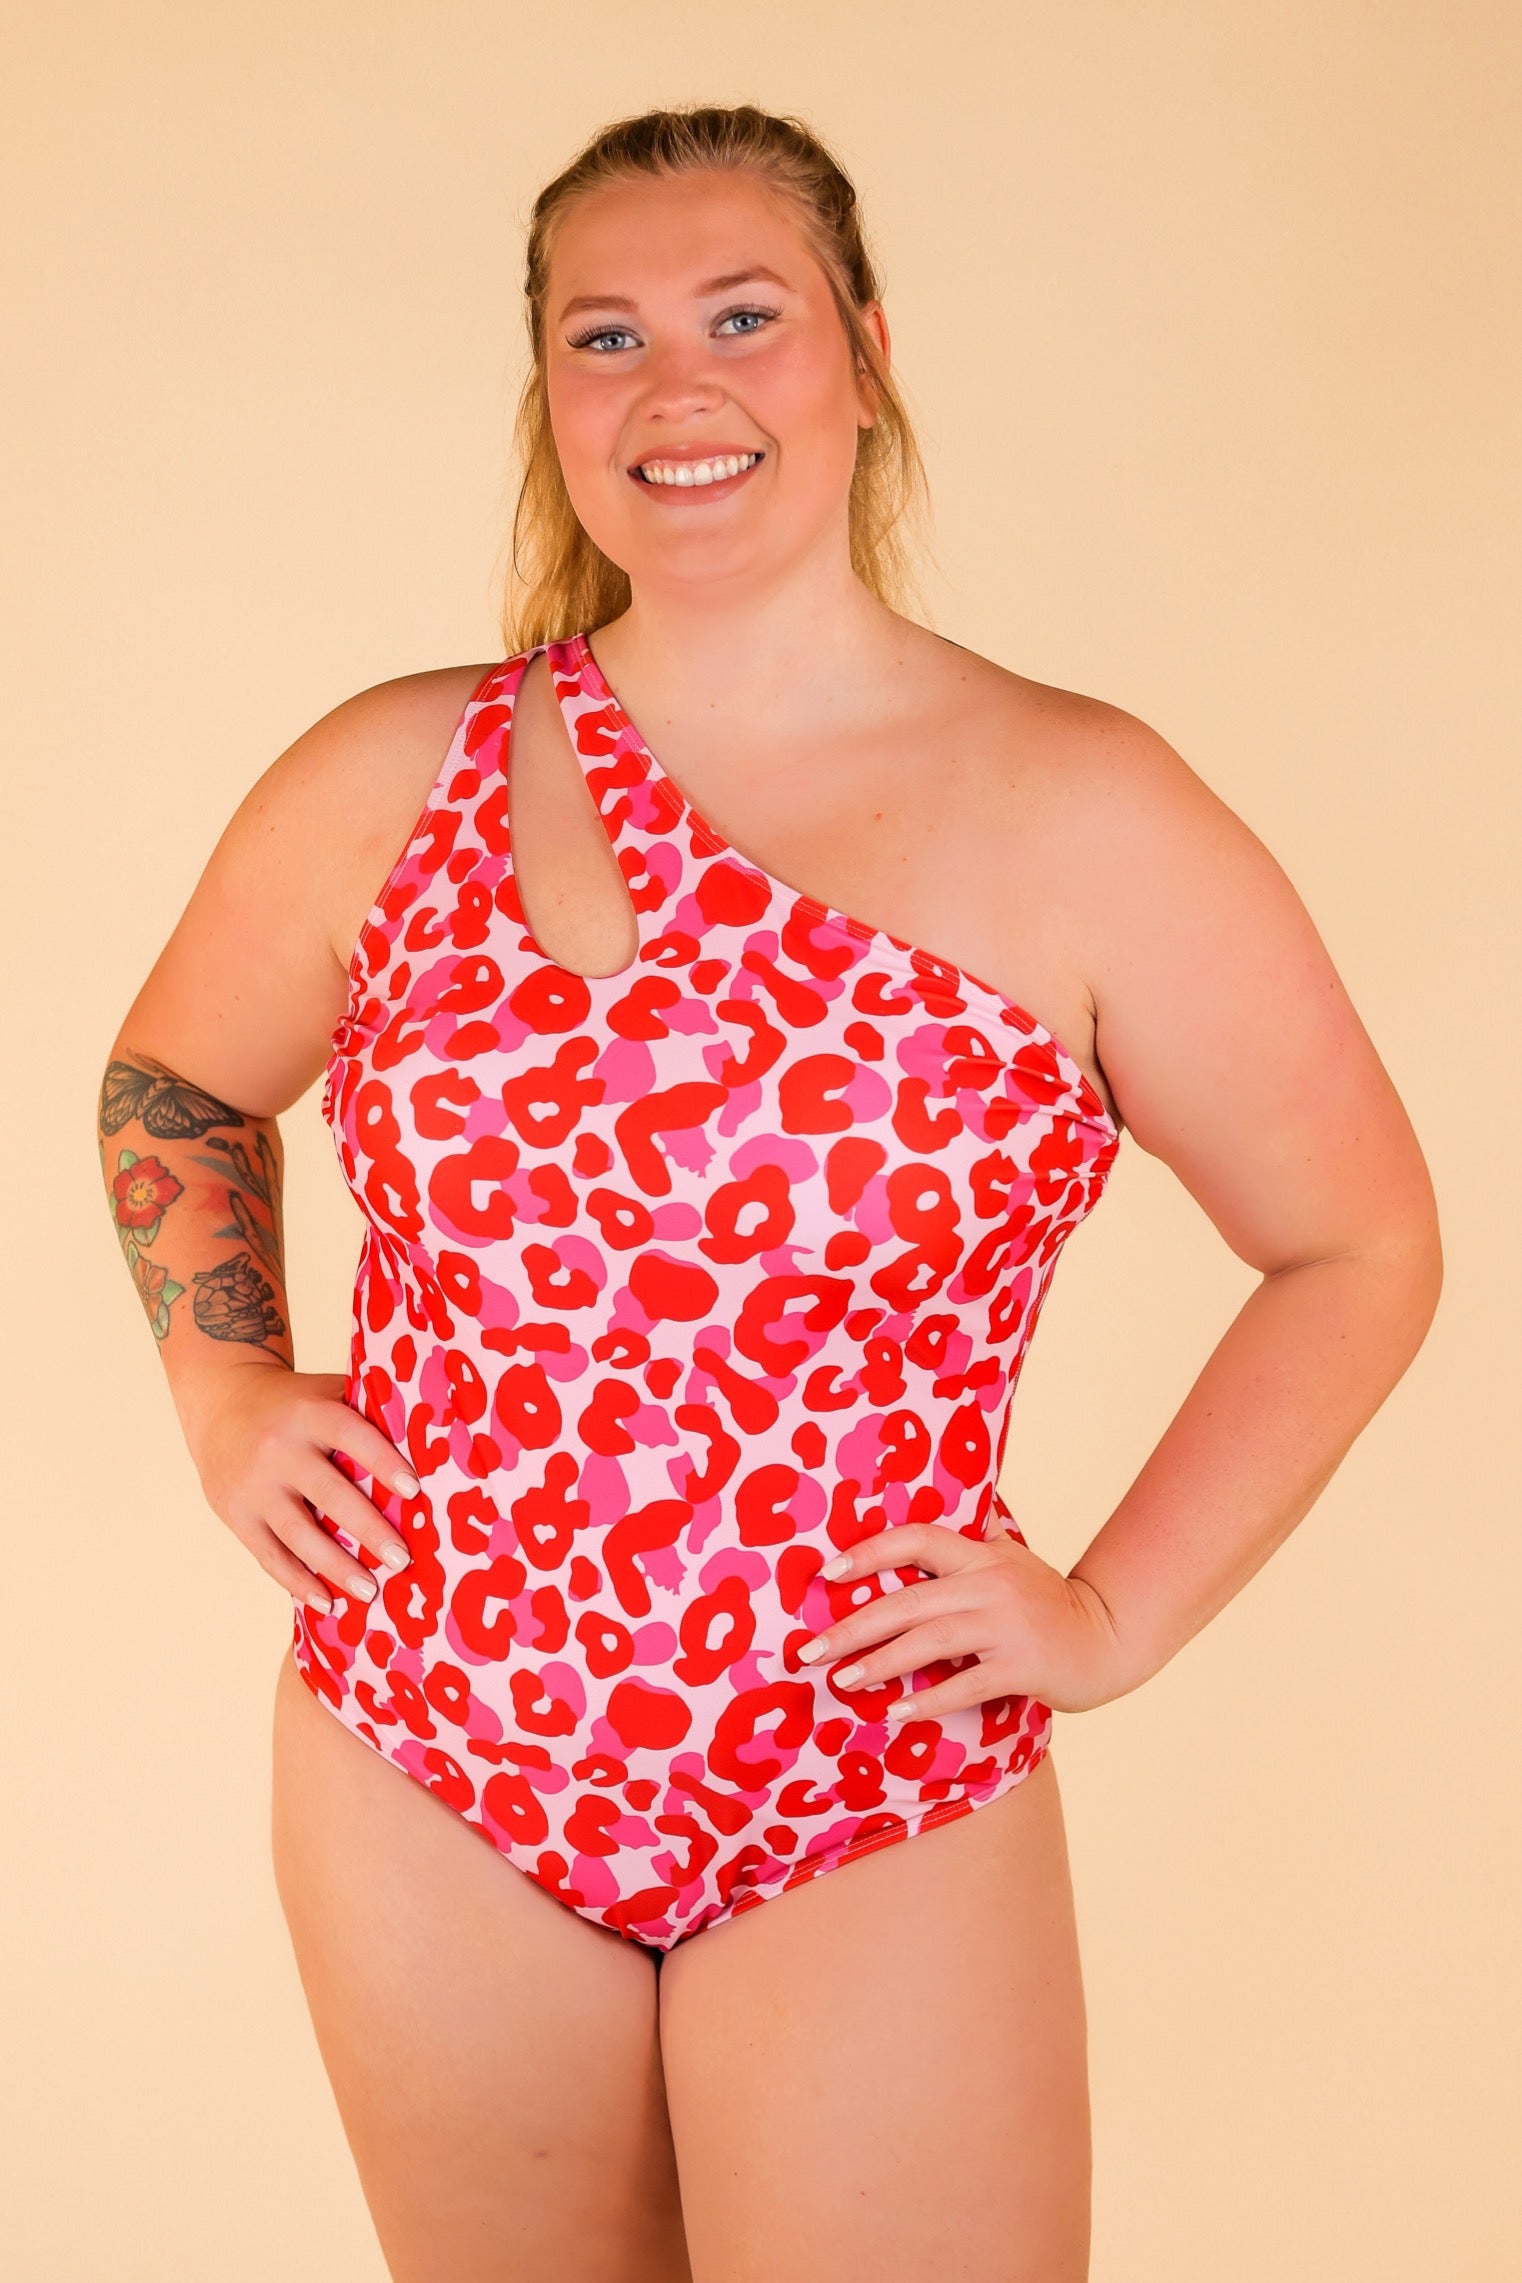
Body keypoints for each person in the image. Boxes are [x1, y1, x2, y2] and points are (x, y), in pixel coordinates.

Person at [98, 102, 1442, 2283]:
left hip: (861, 1772)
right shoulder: (390, 775)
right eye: (603, 335)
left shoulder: (1084, 809)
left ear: (864, 355)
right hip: (427, 1752)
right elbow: (172, 1082)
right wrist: (225, 1390)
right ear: (548, 394)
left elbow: (1358, 1241)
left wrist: (1108, 1616)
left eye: (743, 317)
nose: (674, 385)